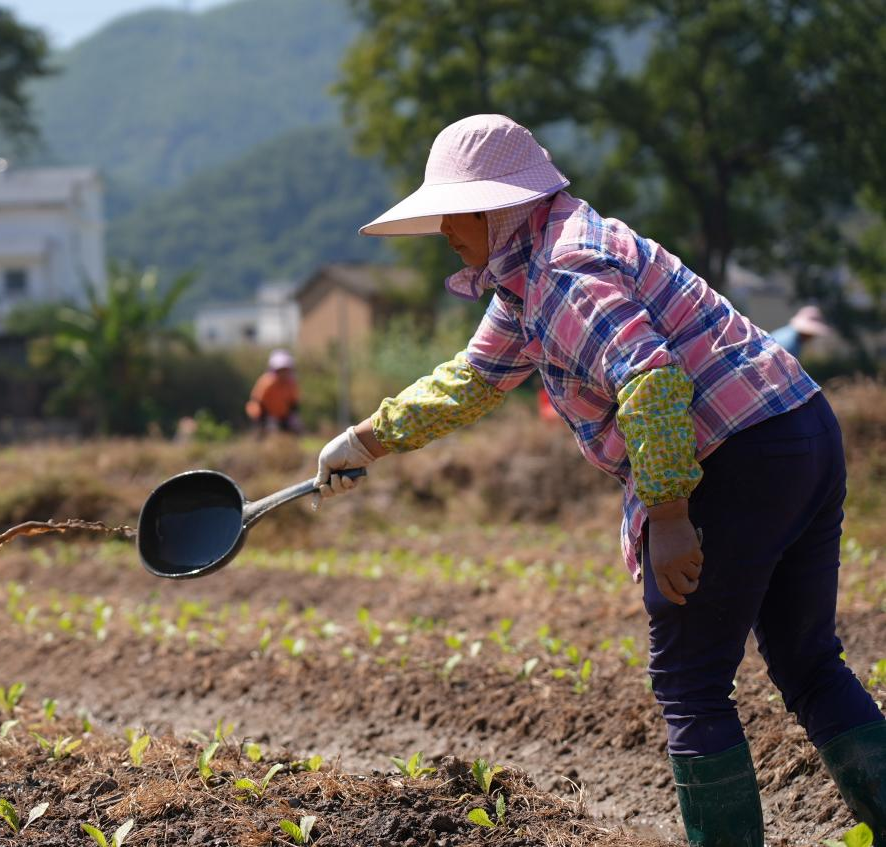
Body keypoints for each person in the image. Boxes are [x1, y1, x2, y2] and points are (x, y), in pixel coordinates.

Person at [312, 115, 884, 846]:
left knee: (691, 685)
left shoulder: (562, 274)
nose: (444, 232)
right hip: (798, 427)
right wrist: (364, 440)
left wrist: (671, 513)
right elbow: (470, 380)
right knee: (807, 661)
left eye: (453, 212)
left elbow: (647, 377)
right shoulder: (533, 275)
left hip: (732, 457)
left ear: (498, 207)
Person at [246, 349, 302, 435]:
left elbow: (294, 403)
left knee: (295, 428)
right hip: (264, 415)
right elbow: (258, 401)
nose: (283, 373)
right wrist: (265, 419)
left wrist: (292, 418)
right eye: (281, 370)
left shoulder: (291, 383)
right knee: (268, 429)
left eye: (285, 369)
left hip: (284, 416)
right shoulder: (267, 382)